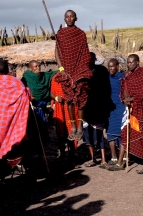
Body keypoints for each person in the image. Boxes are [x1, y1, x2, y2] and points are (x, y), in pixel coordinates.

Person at [108, 54, 143, 171]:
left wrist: (132, 99)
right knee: (125, 133)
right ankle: (120, 162)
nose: (130, 64)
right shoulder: (127, 75)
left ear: (137, 62)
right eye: (128, 62)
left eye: (132, 62)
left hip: (142, 109)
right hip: (129, 109)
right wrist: (125, 99)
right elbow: (124, 89)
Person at [55, 9, 92, 141]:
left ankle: (80, 125)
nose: (70, 18)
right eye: (67, 17)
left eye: (72, 16)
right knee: (70, 99)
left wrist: (82, 68)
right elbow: (57, 54)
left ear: (76, 18)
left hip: (79, 70)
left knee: (81, 98)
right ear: (64, 19)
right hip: (66, 70)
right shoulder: (60, 34)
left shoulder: (81, 34)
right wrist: (61, 69)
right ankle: (73, 126)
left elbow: (85, 53)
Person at [0, 60, 31, 159]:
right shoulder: (16, 83)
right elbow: (24, 96)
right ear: (7, 70)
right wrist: (28, 92)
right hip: (10, 121)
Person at [83, 52, 112, 168]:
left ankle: (103, 159)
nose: (89, 61)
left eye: (91, 59)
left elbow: (107, 88)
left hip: (99, 107)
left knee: (99, 133)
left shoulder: (102, 71)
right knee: (87, 134)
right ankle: (92, 158)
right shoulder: (82, 72)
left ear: (95, 59)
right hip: (86, 107)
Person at [22, 60, 57, 148]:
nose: (38, 68)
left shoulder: (43, 76)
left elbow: (53, 73)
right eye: (35, 67)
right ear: (30, 68)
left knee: (42, 131)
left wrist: (61, 68)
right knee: (32, 132)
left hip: (41, 110)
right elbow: (22, 92)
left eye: (39, 66)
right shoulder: (26, 79)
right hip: (30, 110)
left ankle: (41, 151)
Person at [50, 73, 78, 161]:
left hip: (71, 108)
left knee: (71, 131)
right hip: (60, 108)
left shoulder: (73, 75)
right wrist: (56, 98)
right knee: (61, 132)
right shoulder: (56, 77)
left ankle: (72, 156)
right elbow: (51, 93)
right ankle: (62, 154)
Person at [106, 58, 125, 166]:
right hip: (110, 108)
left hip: (120, 107)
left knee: (121, 132)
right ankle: (113, 157)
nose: (110, 68)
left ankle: (123, 157)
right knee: (109, 132)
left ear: (117, 66)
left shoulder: (122, 78)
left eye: (112, 66)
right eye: (109, 66)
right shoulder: (106, 78)